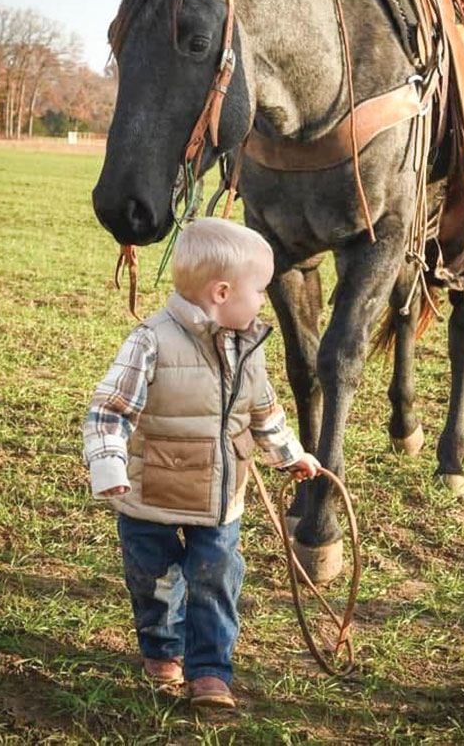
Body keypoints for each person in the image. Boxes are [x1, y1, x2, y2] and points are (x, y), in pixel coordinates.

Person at [83, 217, 320, 710]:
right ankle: (162, 649)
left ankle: (211, 670)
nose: (263, 300)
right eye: (259, 290)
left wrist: (291, 457)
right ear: (221, 292)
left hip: (219, 501)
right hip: (149, 499)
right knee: (155, 582)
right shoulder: (150, 341)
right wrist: (108, 467)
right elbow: (109, 410)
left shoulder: (248, 344)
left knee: (216, 579)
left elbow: (264, 411)